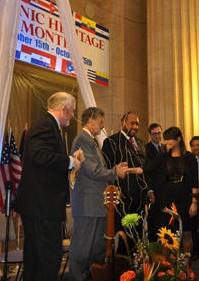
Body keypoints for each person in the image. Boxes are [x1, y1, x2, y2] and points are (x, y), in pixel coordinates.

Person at [14, 92, 84, 281]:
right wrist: (70, 161)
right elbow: (39, 156)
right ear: (63, 109)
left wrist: (70, 162)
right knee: (47, 258)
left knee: (38, 259)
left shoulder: (49, 125)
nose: (73, 115)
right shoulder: (46, 125)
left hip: (41, 205)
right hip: (41, 206)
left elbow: (46, 162)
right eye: (72, 111)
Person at [69, 107, 128, 281]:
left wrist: (113, 170)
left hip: (97, 203)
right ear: (90, 121)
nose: (103, 126)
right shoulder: (82, 139)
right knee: (82, 248)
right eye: (101, 122)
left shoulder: (92, 141)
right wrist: (114, 173)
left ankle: (94, 277)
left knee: (97, 249)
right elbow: (93, 171)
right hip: (88, 204)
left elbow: (97, 170)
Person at [131, 126, 198, 275]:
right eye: (165, 138)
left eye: (169, 139)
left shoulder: (189, 157)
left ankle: (187, 267)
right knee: (166, 234)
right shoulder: (162, 157)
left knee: (187, 234)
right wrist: (130, 170)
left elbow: (194, 182)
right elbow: (146, 169)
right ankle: (166, 268)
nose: (165, 141)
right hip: (166, 201)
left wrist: (194, 202)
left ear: (178, 140)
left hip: (185, 201)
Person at [101, 112, 154, 245]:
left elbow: (146, 169)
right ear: (123, 123)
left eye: (137, 124)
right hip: (123, 198)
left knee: (137, 233)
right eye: (132, 123)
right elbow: (106, 168)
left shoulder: (141, 144)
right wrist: (116, 189)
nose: (135, 127)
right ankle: (123, 263)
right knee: (123, 234)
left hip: (140, 197)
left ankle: (135, 262)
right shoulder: (112, 142)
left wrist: (149, 190)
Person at [145, 123, 165, 241]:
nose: (157, 136)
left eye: (159, 133)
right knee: (153, 222)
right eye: (154, 134)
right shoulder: (146, 149)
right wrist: (150, 190)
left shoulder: (164, 148)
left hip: (165, 191)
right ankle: (153, 251)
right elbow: (147, 171)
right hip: (153, 190)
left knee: (164, 222)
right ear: (149, 135)